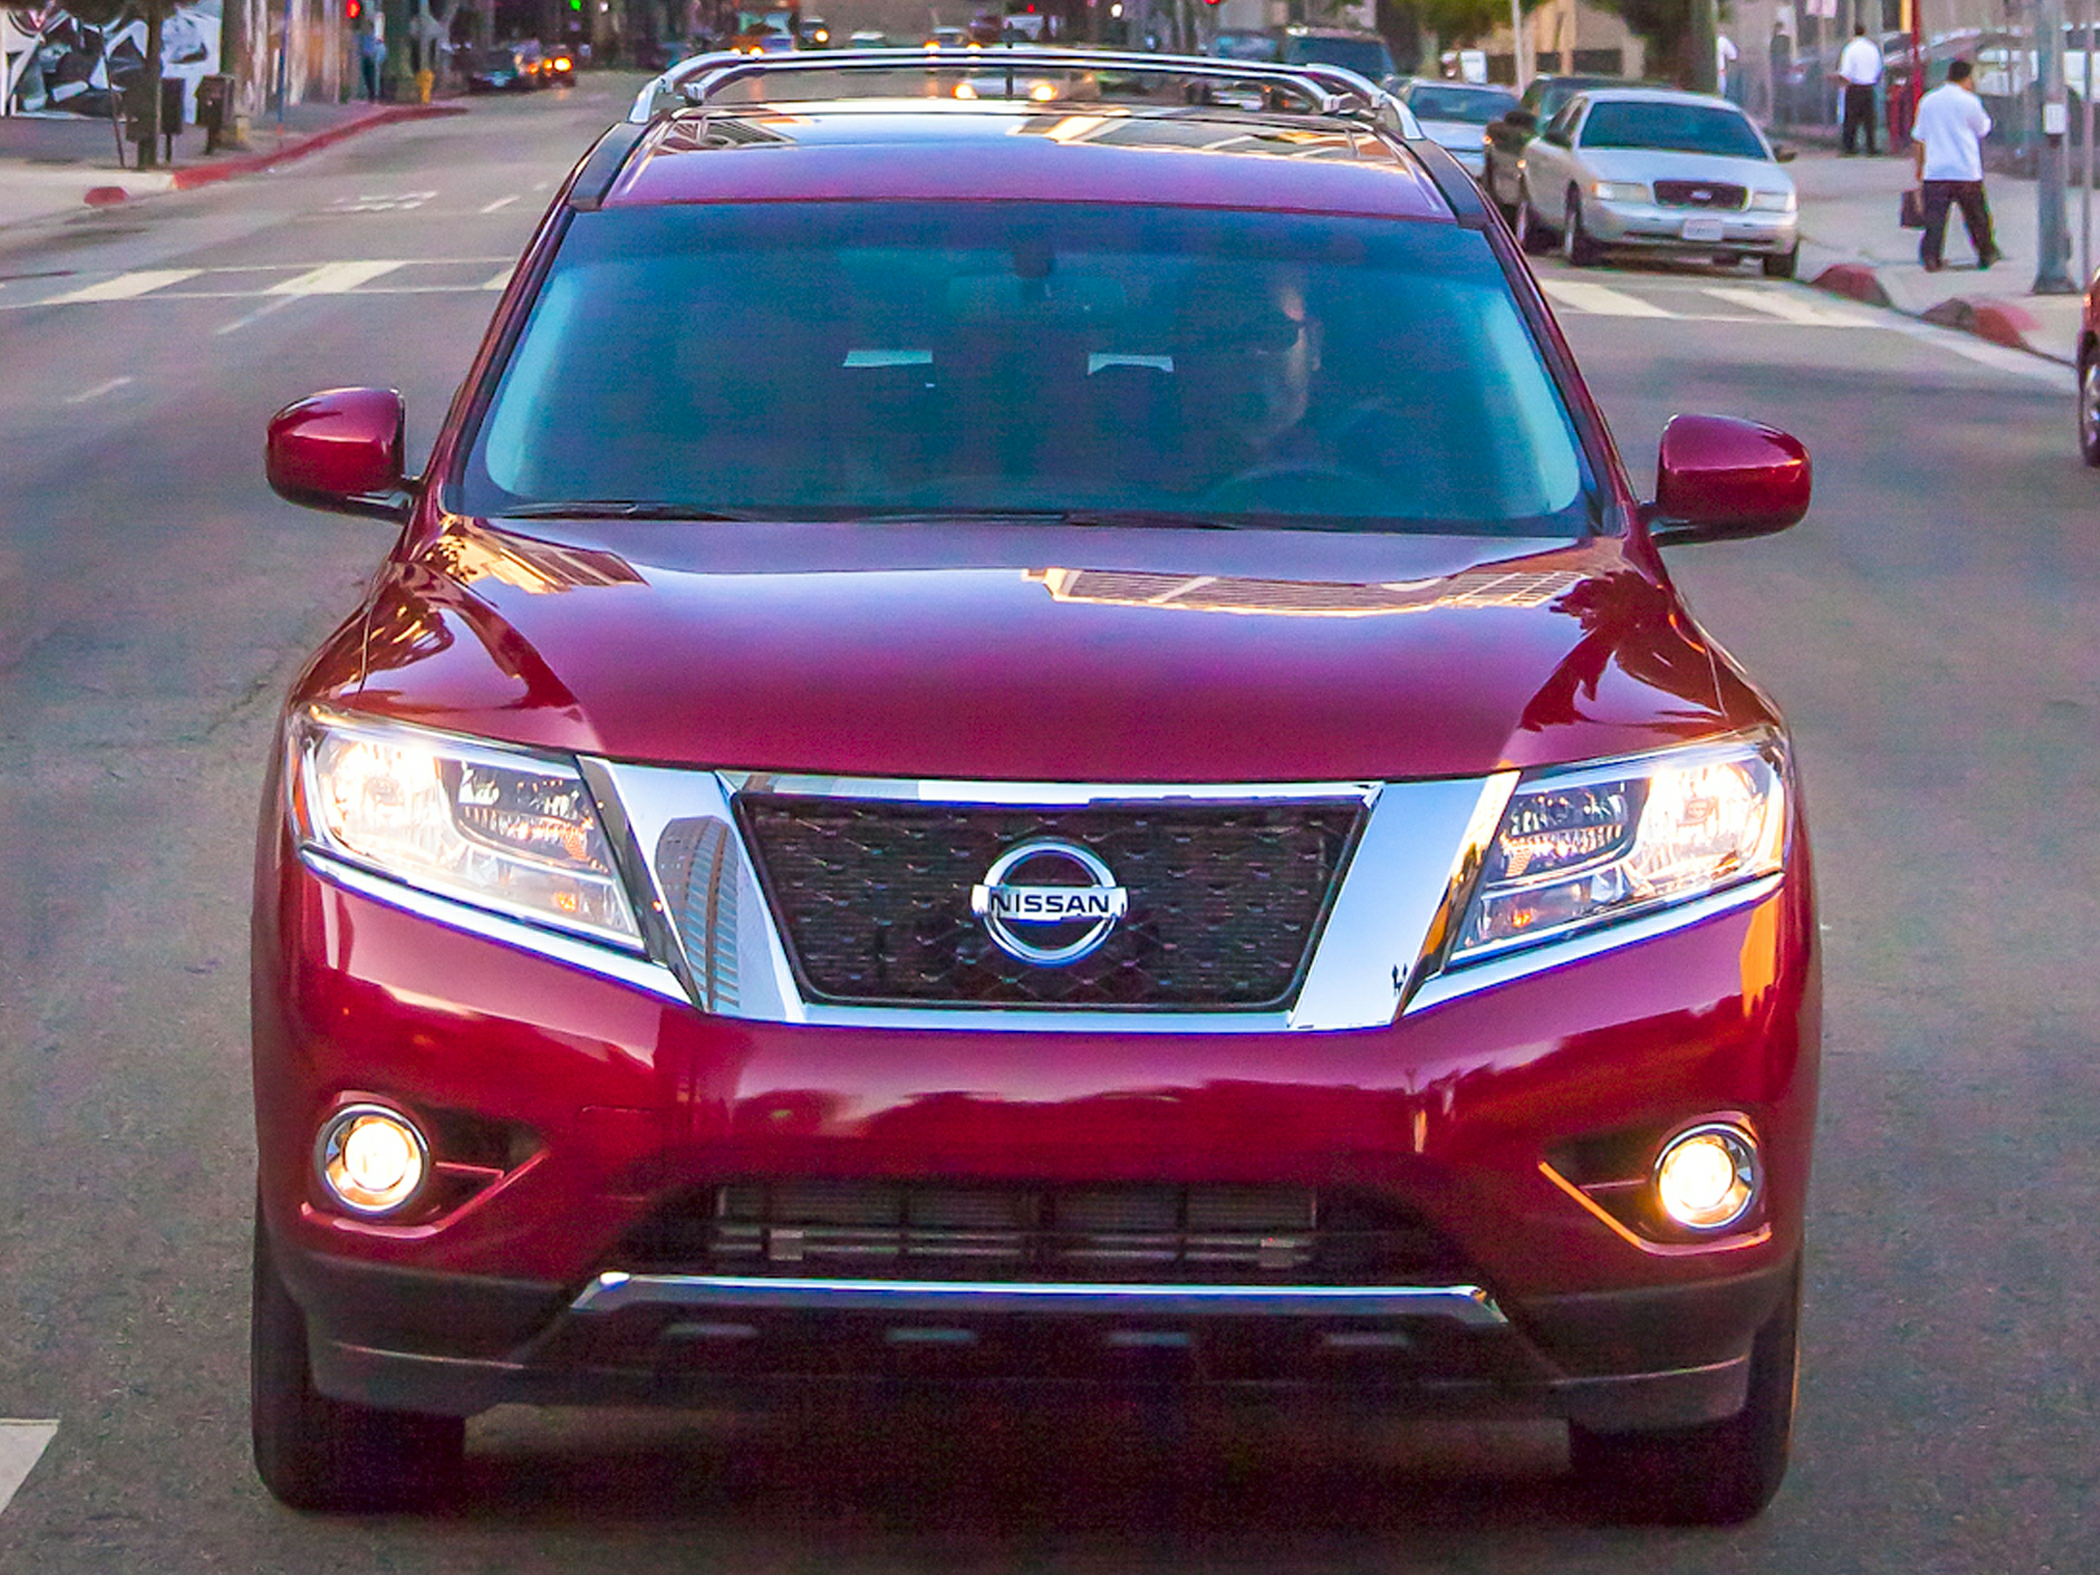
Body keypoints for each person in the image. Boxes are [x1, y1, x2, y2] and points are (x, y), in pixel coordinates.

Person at [1910, 59, 1999, 272]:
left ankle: (1931, 257)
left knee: (1935, 219)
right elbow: (1982, 129)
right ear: (1967, 78)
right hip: (1965, 170)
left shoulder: (1928, 101)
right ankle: (1986, 253)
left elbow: (1919, 137)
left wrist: (1920, 170)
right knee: (1976, 217)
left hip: (1936, 170)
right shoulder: (1970, 101)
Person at [1837, 24, 1884, 155]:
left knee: (1851, 119)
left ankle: (1850, 147)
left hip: (1854, 86)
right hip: (1869, 87)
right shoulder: (1873, 48)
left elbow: (1846, 71)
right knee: (1869, 120)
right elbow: (1879, 68)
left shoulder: (1850, 49)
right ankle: (1871, 147)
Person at [357, 22, 386, 102]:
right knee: (366, 76)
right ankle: (369, 93)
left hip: (372, 58)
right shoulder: (363, 37)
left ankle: (372, 94)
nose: (365, 29)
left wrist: (378, 59)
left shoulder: (374, 38)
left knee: (371, 77)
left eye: (367, 27)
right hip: (365, 57)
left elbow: (379, 47)